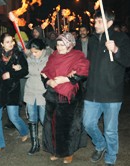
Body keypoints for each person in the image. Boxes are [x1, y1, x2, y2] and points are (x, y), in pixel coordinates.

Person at [83, 9, 130, 166]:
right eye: (95, 21)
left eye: (99, 21)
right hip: (92, 93)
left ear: (109, 23)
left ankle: (111, 155)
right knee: (88, 123)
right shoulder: (93, 40)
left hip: (112, 94)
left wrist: (116, 50)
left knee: (110, 130)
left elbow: (128, 61)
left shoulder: (121, 38)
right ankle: (100, 145)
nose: (95, 24)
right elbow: (89, 64)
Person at [41, 32, 89, 164]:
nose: (59, 47)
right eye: (58, 44)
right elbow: (45, 72)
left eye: (63, 44)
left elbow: (82, 73)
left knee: (68, 125)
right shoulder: (53, 56)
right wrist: (48, 82)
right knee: (51, 124)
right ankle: (55, 150)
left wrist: (66, 79)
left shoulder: (77, 56)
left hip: (69, 97)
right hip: (52, 95)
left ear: (69, 45)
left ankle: (68, 151)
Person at [0, 32, 29, 154]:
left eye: (12, 41)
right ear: (2, 44)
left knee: (13, 117)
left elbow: (25, 71)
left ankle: (24, 131)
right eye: (7, 42)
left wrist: (12, 73)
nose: (11, 43)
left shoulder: (18, 55)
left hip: (12, 89)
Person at [24, 38, 52, 155]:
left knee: (44, 119)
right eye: (32, 52)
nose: (34, 54)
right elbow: (26, 73)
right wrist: (20, 69)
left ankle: (48, 143)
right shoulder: (28, 57)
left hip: (43, 91)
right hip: (30, 90)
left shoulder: (49, 58)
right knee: (32, 118)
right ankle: (35, 144)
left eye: (36, 52)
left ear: (43, 49)